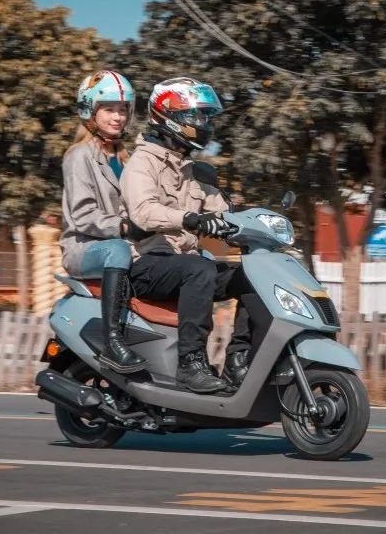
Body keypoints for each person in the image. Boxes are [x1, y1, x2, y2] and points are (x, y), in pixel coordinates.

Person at [120, 77, 252, 394]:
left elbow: (222, 213)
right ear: (168, 116)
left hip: (185, 264)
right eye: (195, 116)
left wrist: (251, 224)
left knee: (251, 276)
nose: (202, 123)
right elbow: (143, 212)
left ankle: (240, 360)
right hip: (147, 264)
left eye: (206, 117)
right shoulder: (141, 163)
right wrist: (191, 218)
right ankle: (190, 365)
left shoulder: (194, 170)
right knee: (201, 268)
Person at [60, 70, 149, 373]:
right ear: (90, 111)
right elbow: (82, 216)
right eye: (109, 109)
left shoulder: (127, 158)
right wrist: (124, 227)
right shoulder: (79, 157)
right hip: (85, 248)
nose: (118, 117)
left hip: (124, 244)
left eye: (123, 110)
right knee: (118, 250)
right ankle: (112, 342)